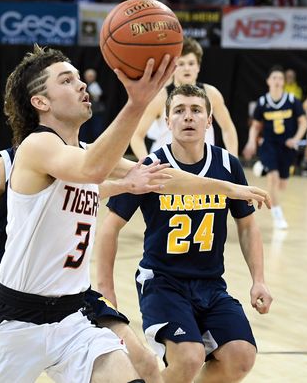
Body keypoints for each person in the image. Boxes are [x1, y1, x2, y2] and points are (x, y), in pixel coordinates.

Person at [0, 46, 270, 382]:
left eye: (78, 77)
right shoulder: (36, 146)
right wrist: (136, 105)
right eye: (66, 80)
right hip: (16, 315)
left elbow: (160, 176)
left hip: (72, 313)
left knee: (139, 369)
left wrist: (230, 188)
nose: (80, 85)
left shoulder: (84, 154)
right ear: (41, 102)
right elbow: (92, 170)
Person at [97, 85, 273, 383]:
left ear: (209, 121)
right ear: (167, 122)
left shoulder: (227, 165)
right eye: (179, 111)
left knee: (242, 356)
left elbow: (247, 225)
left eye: (195, 110)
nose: (187, 117)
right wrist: (105, 289)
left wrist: (259, 280)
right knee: (188, 356)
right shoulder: (152, 167)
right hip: (162, 282)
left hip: (210, 283)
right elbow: (109, 228)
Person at [0, 146, 171, 383]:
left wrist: (126, 185)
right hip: (19, 297)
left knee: (144, 362)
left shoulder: (85, 155)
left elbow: (86, 190)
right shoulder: (4, 166)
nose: (88, 105)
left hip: (74, 298)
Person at [130, 37, 238, 159]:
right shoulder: (160, 97)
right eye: (181, 64)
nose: (187, 68)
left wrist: (233, 163)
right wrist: (148, 165)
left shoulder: (211, 93)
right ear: (173, 68)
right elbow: (136, 136)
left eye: (191, 63)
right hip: (168, 168)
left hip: (202, 165)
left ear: (198, 67)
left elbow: (228, 128)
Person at [243, 65, 307, 229]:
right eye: (274, 78)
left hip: (287, 146)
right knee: (273, 177)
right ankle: (278, 215)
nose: (277, 81)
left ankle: (262, 168)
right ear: (268, 81)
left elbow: (304, 122)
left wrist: (296, 139)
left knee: (282, 185)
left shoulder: (292, 101)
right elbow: (256, 126)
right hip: (269, 144)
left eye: (280, 78)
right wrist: (251, 141)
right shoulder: (263, 101)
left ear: (284, 82)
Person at [79, 68, 106, 143]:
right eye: (88, 76)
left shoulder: (96, 85)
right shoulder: (81, 86)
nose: (90, 78)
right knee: (83, 131)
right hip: (84, 112)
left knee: (97, 130)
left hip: (96, 111)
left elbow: (97, 98)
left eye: (91, 76)